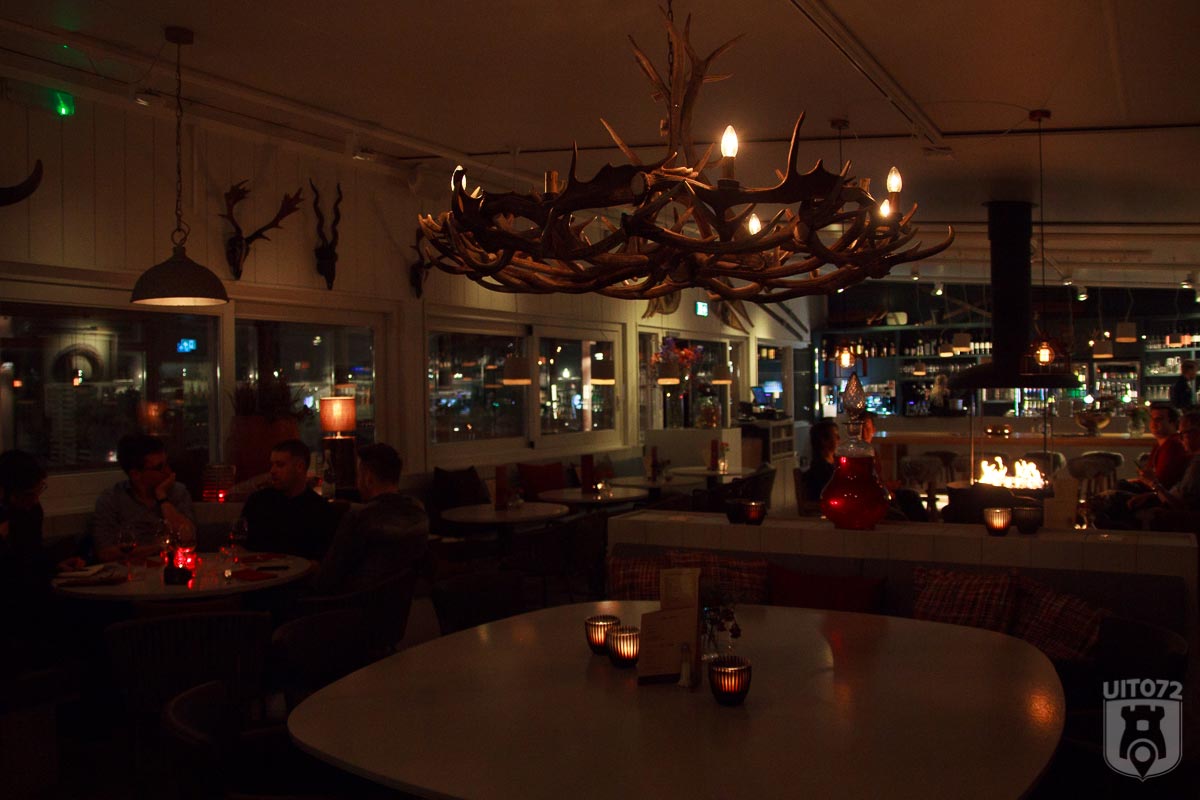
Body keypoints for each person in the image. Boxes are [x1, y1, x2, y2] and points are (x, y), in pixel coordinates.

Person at [310, 443, 427, 595]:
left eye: (359, 475)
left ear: (368, 479)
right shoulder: (417, 510)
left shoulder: (359, 518)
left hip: (355, 602)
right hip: (402, 600)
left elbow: (328, 578)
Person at [93, 433, 196, 562]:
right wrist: (159, 548)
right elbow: (105, 553)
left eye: (167, 464)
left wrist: (162, 497)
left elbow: (187, 537)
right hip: (130, 571)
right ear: (135, 474)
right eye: (159, 467)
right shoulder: (111, 500)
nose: (168, 472)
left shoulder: (177, 492)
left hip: (173, 568)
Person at [240, 439, 337, 559]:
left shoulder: (319, 510)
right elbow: (241, 544)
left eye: (280, 465)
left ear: (300, 467)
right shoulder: (258, 502)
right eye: (272, 464)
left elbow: (321, 559)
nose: (272, 471)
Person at [1118, 403, 1188, 493]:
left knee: (1119, 487)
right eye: (1152, 419)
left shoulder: (1173, 445)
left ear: (1173, 422)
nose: (1153, 423)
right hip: (1153, 489)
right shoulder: (1160, 444)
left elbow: (1163, 482)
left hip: (1160, 494)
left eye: (1158, 419)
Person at [801, 421, 839, 502]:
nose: (839, 438)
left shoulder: (834, 463)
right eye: (835, 435)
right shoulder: (821, 469)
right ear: (824, 440)